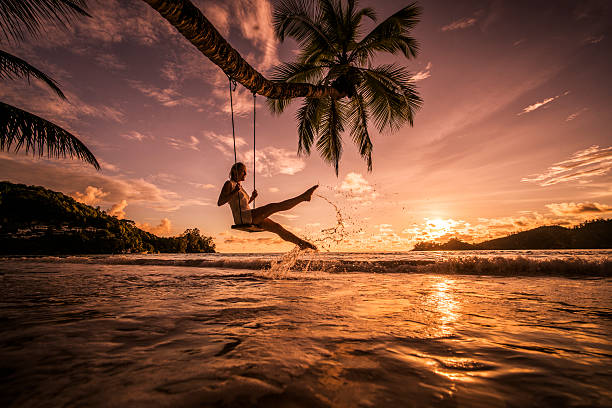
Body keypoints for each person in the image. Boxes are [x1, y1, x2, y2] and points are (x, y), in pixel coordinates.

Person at [217, 162, 318, 250]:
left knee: (277, 227)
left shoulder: (239, 187)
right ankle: (303, 197)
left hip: (248, 215)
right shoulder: (229, 184)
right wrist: (234, 192)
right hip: (243, 218)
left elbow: (241, 204)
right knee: (273, 206)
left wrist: (252, 198)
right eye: (243, 171)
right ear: (235, 171)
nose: (246, 174)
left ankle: (302, 244)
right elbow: (220, 202)